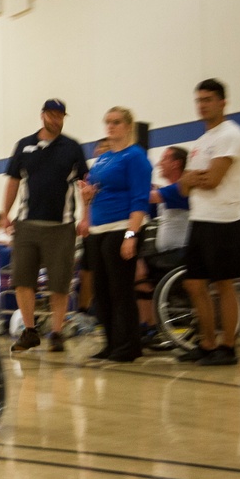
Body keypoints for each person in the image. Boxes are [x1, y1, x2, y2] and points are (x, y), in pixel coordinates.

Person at [1, 99, 89, 353]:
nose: (57, 120)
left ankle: (57, 332)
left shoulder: (72, 147)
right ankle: (29, 331)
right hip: (27, 224)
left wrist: (86, 217)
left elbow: (85, 185)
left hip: (61, 226)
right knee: (22, 279)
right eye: (53, 115)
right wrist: (5, 213)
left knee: (59, 282)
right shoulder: (24, 145)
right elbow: (13, 181)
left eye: (61, 116)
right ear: (43, 116)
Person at [177, 79, 240, 366]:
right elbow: (183, 186)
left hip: (224, 219)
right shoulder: (201, 142)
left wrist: (192, 179)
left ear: (222, 102)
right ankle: (207, 343)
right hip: (200, 219)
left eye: (208, 99)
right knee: (194, 284)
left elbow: (213, 179)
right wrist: (191, 179)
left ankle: (227, 347)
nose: (202, 105)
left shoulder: (231, 134)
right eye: (199, 100)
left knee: (223, 285)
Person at [77, 107, 153, 362]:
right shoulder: (103, 159)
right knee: (102, 290)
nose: (111, 126)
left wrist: (131, 235)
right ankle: (111, 343)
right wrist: (86, 205)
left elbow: (140, 199)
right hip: (98, 230)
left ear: (128, 126)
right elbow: (92, 192)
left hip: (121, 228)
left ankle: (129, 346)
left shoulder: (135, 156)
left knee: (121, 291)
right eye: (108, 122)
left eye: (117, 122)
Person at [135, 146, 189, 338]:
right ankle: (147, 323)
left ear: (176, 163)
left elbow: (148, 197)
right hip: (167, 254)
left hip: (179, 255)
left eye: (164, 159)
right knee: (138, 266)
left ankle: (148, 324)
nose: (159, 164)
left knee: (136, 268)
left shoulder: (181, 187)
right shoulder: (168, 191)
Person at [77, 137, 112, 315]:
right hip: (91, 228)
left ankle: (101, 309)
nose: (101, 150)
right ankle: (84, 310)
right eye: (100, 147)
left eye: (106, 147)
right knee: (86, 272)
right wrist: (84, 221)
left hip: (110, 228)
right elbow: (86, 202)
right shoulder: (91, 175)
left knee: (101, 272)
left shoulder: (114, 172)